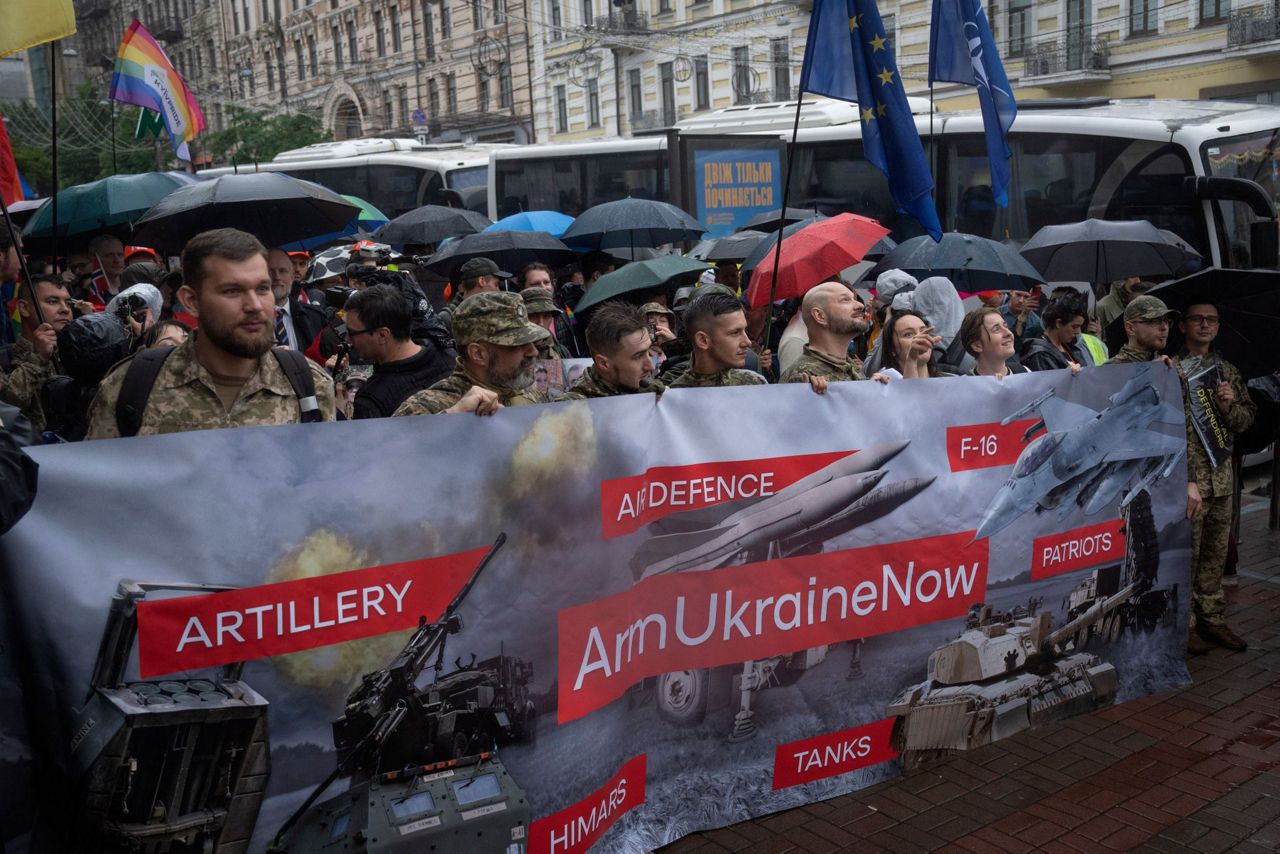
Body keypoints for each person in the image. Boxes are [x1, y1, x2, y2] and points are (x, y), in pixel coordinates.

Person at [85, 228, 336, 439]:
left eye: (263, 288)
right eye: (232, 291)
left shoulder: (309, 384)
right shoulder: (130, 387)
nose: (255, 306)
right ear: (191, 301)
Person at [1176, 301, 1256, 653]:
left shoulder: (1227, 371)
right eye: (1197, 319)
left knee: (1215, 556)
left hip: (1221, 479)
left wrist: (1228, 406)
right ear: (1183, 326)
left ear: (1219, 326)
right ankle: (1185, 625)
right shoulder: (1172, 370)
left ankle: (1212, 619)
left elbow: (1245, 421)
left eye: (1211, 320)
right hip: (1189, 482)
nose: (1205, 325)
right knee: (1186, 558)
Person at [394, 291, 559, 416]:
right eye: (518, 345)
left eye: (532, 342)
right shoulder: (427, 407)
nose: (533, 352)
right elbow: (393, 450)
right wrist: (451, 417)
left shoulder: (530, 392)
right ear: (478, 354)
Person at [344, 284, 454, 418]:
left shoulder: (372, 400)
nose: (347, 339)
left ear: (383, 335)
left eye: (352, 333)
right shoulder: (452, 359)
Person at [0, 275, 74, 434]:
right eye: (52, 301)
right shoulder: (4, 358)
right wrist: (37, 359)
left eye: (68, 303)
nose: (65, 309)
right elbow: (7, 407)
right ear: (24, 308)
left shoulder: (75, 354)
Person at [779, 282, 869, 391]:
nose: (860, 305)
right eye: (845, 300)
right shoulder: (803, 377)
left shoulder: (853, 368)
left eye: (854, 299)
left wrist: (875, 389)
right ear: (820, 316)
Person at [668, 291, 766, 388]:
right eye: (735, 333)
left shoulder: (752, 384)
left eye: (745, 330)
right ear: (703, 340)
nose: (747, 342)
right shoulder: (674, 394)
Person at [569, 302, 661, 397]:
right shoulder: (573, 404)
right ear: (603, 363)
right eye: (638, 356)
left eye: (648, 351)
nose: (650, 366)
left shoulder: (646, 386)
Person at [266, 247, 326, 350]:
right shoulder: (249, 321)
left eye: (283, 271)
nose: (277, 277)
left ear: (292, 276)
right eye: (270, 271)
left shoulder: (315, 317)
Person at [440, 257, 509, 332]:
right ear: (482, 281)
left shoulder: (492, 313)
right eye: (496, 284)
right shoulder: (448, 318)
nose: (498, 291)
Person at [1020, 296, 1089, 372]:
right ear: (1058, 323)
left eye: (1080, 326)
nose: (1078, 331)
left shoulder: (1070, 348)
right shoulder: (1040, 354)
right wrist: (1065, 375)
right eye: (1074, 326)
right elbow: (1045, 379)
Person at [958, 307, 1029, 378]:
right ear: (977, 345)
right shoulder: (963, 384)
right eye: (996, 329)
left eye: (1006, 326)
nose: (1008, 333)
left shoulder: (1025, 373)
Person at [881, 309, 941, 379]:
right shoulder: (882, 382)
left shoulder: (948, 380)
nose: (920, 337)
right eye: (908, 334)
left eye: (923, 331)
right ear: (892, 349)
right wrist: (911, 359)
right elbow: (910, 386)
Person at [520, 287, 570, 359]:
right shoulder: (512, 354)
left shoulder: (561, 351)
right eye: (533, 316)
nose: (541, 323)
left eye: (546, 316)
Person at [1000, 287, 1044, 351]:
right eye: (1018, 295)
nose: (1021, 300)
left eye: (1026, 297)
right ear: (1011, 292)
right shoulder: (997, 313)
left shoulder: (1035, 322)